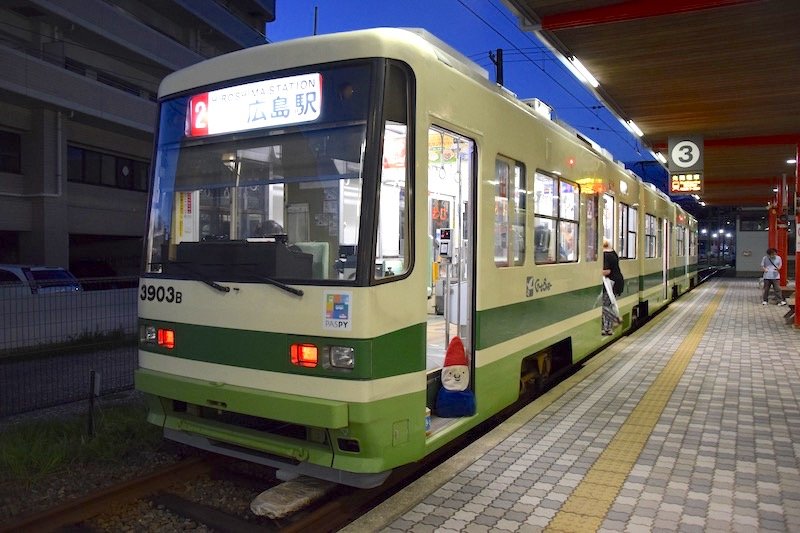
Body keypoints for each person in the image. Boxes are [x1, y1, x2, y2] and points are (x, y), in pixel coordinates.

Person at [601, 239, 624, 335]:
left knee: (604, 306)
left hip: (611, 283)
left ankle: (616, 318)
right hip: (617, 281)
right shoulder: (613, 252)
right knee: (609, 304)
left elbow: (607, 271)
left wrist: (593, 272)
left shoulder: (605, 255)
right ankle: (607, 329)